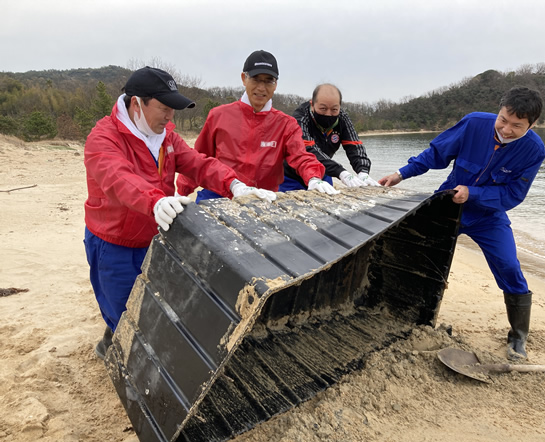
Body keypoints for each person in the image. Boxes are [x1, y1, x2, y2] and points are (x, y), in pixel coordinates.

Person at [84, 66, 276, 360]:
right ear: (137, 103)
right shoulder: (103, 138)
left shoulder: (166, 137)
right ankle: (115, 347)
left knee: (153, 306)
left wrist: (235, 185)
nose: (170, 116)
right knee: (123, 312)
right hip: (114, 243)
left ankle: (117, 337)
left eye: (173, 109)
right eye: (164, 108)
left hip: (155, 236)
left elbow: (199, 163)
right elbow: (117, 178)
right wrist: (155, 201)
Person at [379, 86, 545, 361]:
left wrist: (475, 194)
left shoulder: (533, 151)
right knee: (417, 254)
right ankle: (407, 315)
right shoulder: (473, 123)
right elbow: (435, 154)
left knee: (509, 266)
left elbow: (513, 195)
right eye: (503, 119)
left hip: (488, 216)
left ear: (532, 125)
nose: (506, 129)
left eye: (517, 126)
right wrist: (401, 174)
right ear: (499, 110)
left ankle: (518, 338)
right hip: (447, 206)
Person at [176, 50, 338, 201]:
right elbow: (198, 158)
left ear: (275, 85)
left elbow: (301, 157)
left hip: (262, 197)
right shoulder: (218, 115)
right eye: (256, 79)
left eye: (268, 81)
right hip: (217, 195)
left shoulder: (286, 124)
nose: (261, 87)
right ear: (244, 78)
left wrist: (314, 178)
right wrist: (181, 192)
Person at [279, 83, 379, 191]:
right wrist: (341, 172)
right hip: (291, 175)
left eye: (334, 110)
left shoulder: (342, 118)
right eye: (323, 108)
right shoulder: (300, 118)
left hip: (324, 171)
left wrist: (363, 171)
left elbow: (353, 145)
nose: (328, 114)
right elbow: (307, 149)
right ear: (312, 104)